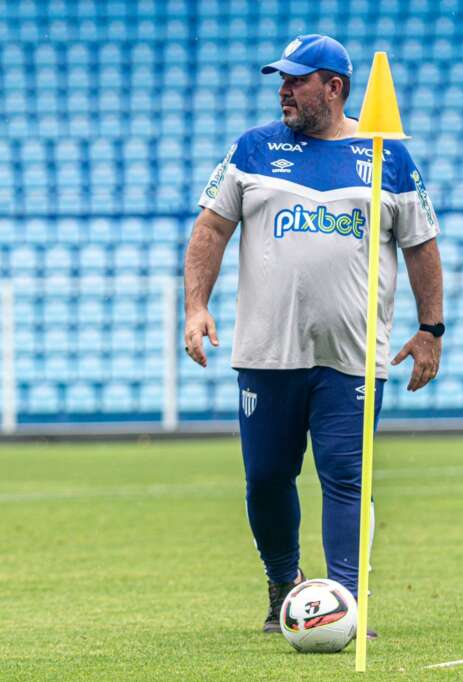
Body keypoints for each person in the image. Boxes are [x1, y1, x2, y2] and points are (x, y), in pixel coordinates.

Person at [182, 34, 444, 636]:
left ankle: (347, 604)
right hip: (267, 351)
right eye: (282, 79)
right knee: (267, 477)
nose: (284, 90)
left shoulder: (387, 156)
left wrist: (430, 328)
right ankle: (283, 585)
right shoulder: (251, 149)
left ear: (335, 88)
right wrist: (196, 307)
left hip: (352, 357)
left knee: (345, 474)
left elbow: (422, 249)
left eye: (297, 80)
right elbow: (210, 230)